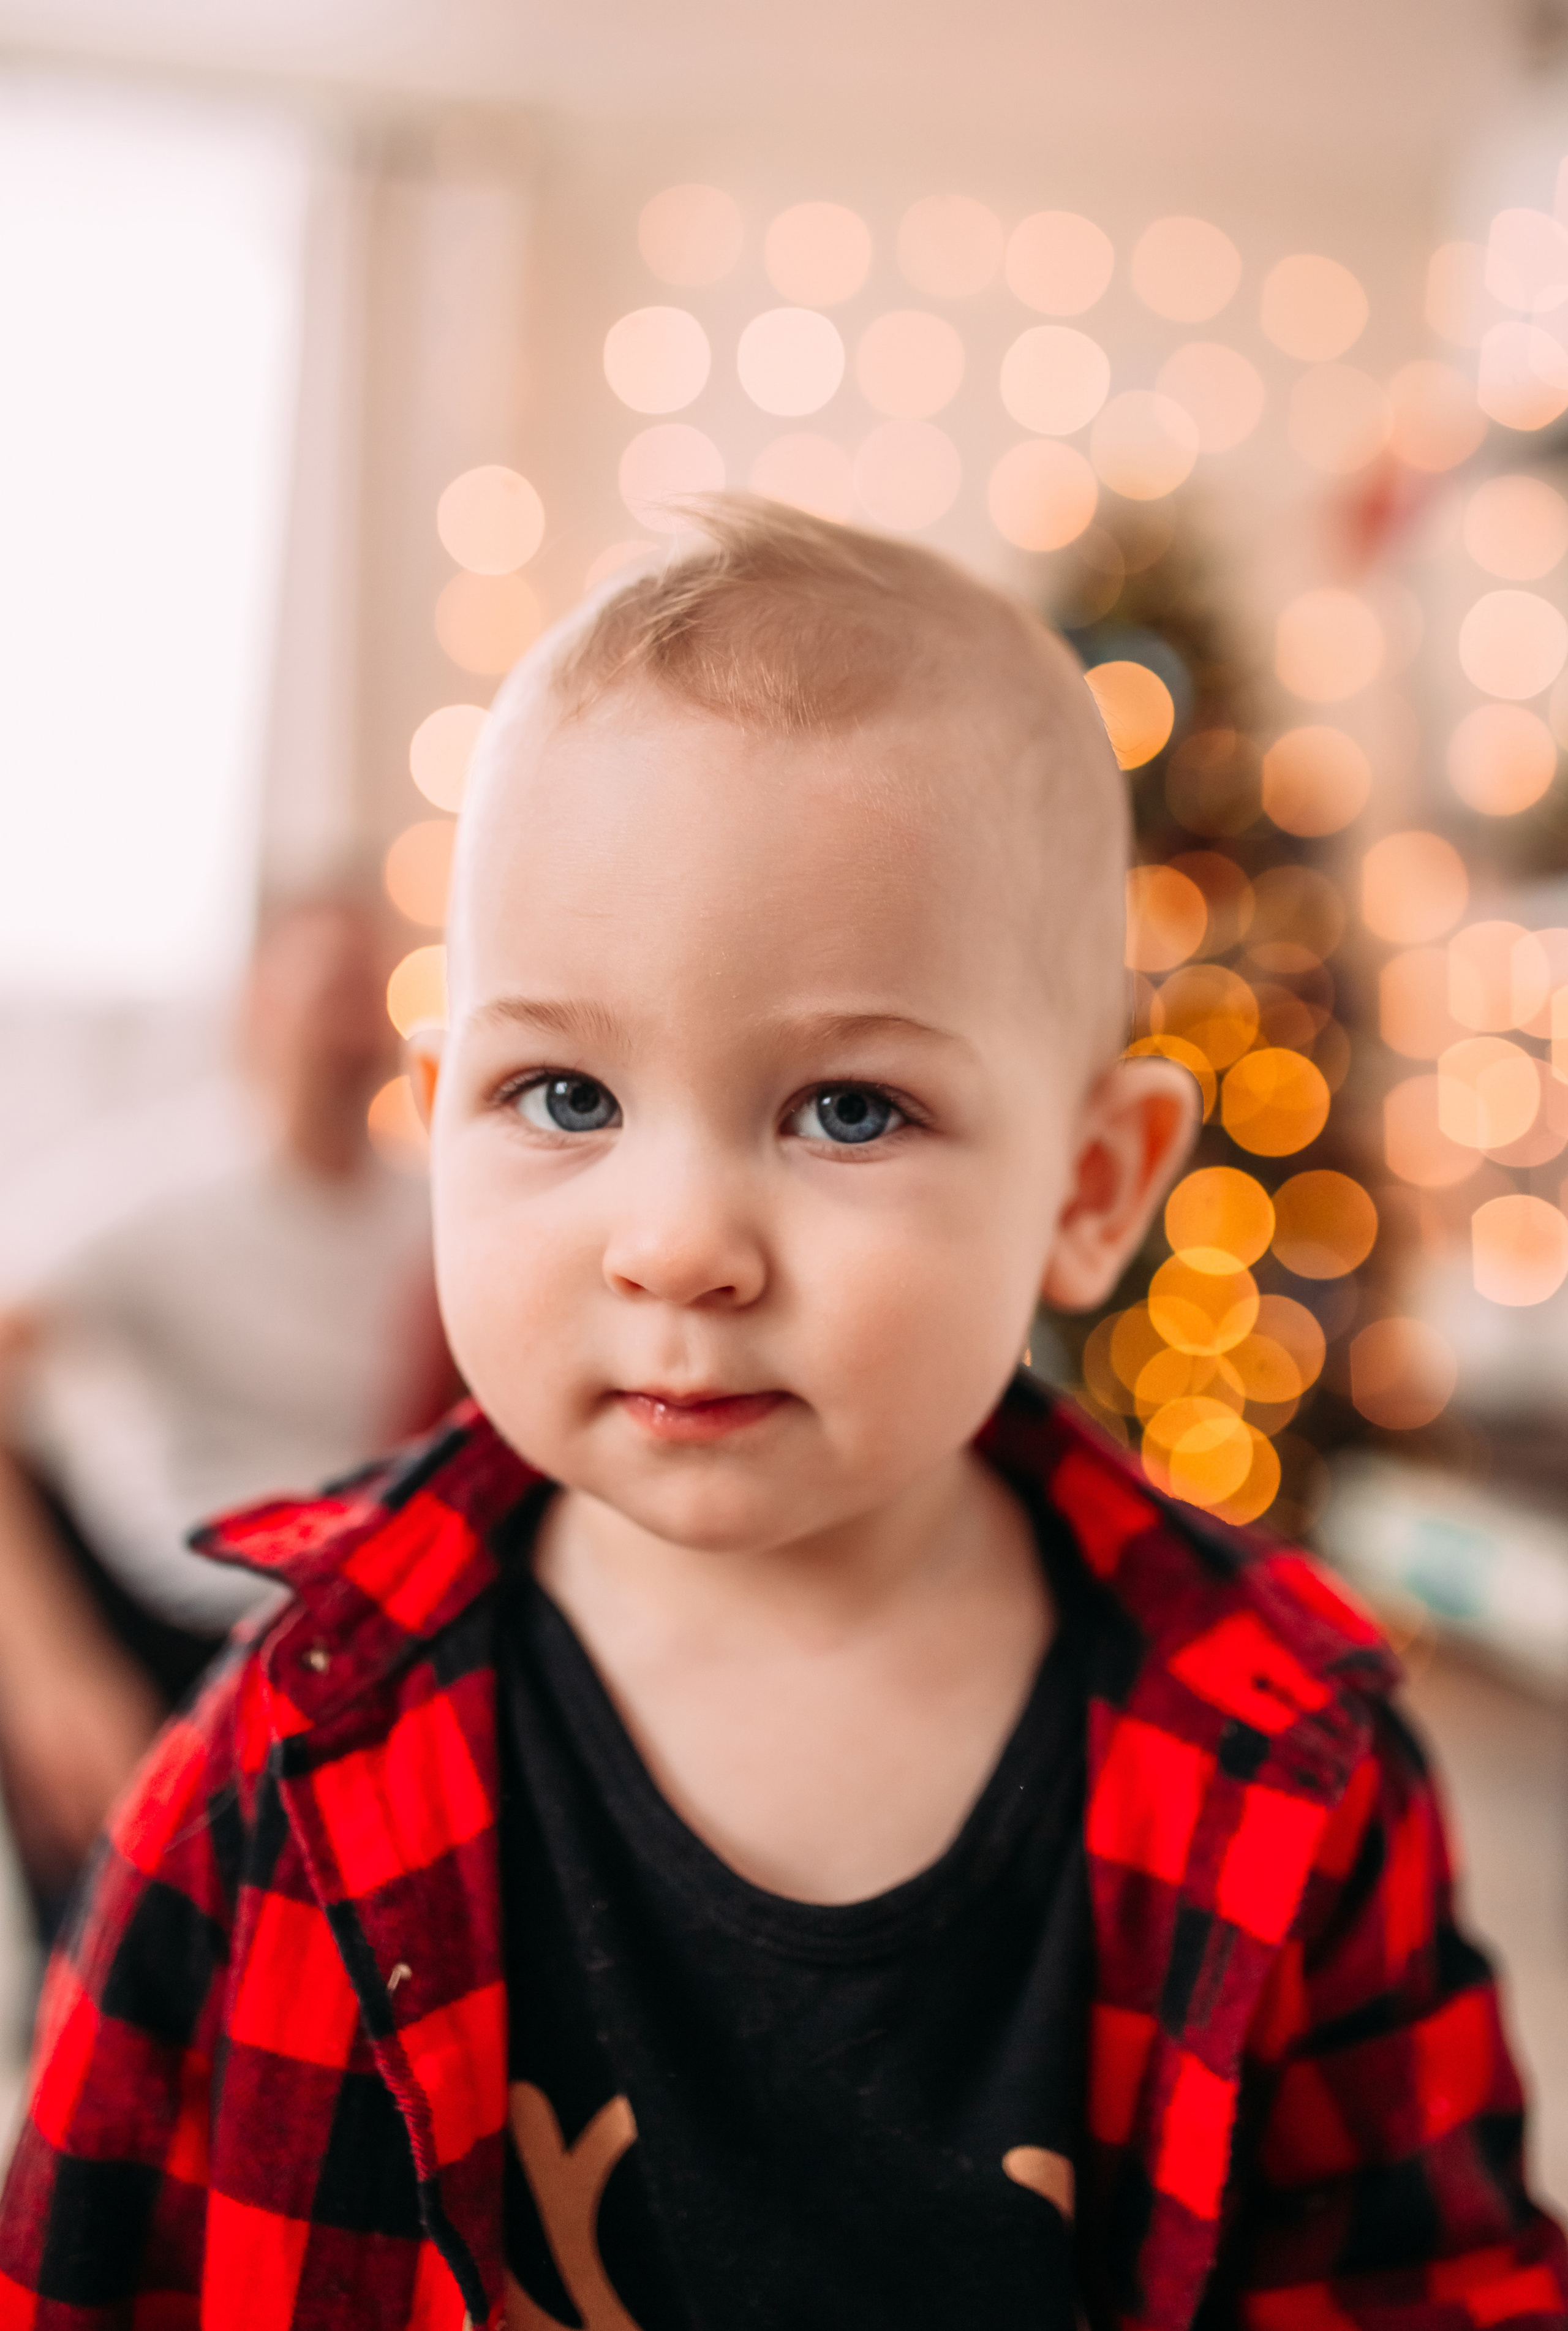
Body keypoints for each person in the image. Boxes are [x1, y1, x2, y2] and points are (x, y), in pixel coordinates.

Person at [1, 501, 1562, 2330]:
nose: (676, 1246)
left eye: (846, 1111)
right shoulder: (285, 1749)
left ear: (1092, 1182)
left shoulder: (1287, 1769)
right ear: (441, 1121)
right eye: (565, 1091)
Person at [0, 890, 451, 1940]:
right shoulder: (147, 1194)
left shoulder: (426, 1214)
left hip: (341, 1630)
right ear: (256, 1004)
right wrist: (46, 1668)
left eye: (366, 986)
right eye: (321, 981)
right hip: (159, 1623)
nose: (347, 1015)